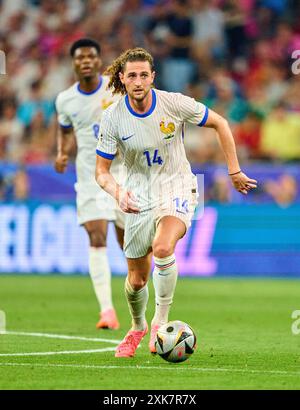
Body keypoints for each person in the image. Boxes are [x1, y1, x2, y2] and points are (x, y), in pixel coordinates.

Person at [95, 47, 257, 357]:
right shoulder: (113, 118)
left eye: (144, 75)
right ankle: (138, 326)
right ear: (122, 79)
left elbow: (221, 123)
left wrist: (233, 169)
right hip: (137, 195)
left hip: (178, 187)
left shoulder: (173, 104)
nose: (139, 81)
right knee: (136, 280)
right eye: (132, 76)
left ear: (153, 77)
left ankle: (160, 322)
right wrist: (118, 192)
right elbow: (101, 172)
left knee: (163, 247)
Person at [55, 38, 125, 330]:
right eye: (80, 57)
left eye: (91, 56)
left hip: (124, 175)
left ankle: (145, 304)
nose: (85, 61)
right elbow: (64, 129)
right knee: (97, 237)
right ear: (74, 63)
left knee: (131, 245)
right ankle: (107, 311)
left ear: (99, 61)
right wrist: (61, 152)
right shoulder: (65, 100)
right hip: (90, 177)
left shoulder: (116, 87)